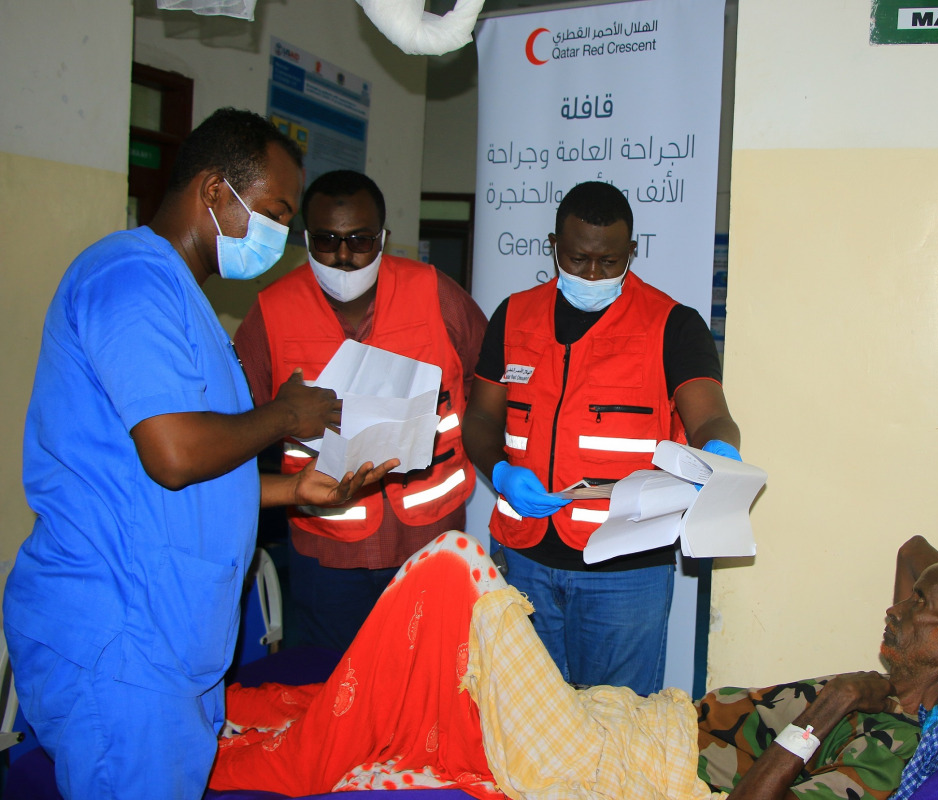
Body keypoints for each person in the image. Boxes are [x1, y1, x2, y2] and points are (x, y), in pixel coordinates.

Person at [3, 108, 397, 800]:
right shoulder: (129, 281)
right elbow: (175, 455)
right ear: (216, 191)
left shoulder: (190, 307)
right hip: (118, 636)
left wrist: (295, 492)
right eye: (274, 213)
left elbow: (190, 478)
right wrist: (284, 415)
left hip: (173, 642)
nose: (279, 236)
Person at [206, 533, 938, 800]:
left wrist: (827, 708)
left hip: (615, 770)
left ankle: (302, 750)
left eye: (915, 613)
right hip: (635, 719)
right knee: (441, 661)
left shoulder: (891, 741)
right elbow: (915, 552)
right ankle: (323, 723)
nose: (893, 612)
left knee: (454, 564)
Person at [462, 180, 742, 695]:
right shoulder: (514, 316)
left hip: (625, 569)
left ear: (632, 252)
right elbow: (480, 418)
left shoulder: (672, 326)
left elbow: (709, 418)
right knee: (526, 721)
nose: (591, 274)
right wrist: (499, 471)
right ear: (553, 246)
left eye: (609, 262)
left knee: (617, 725)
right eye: (576, 259)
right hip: (525, 557)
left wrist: (719, 453)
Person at [235, 169, 486, 652]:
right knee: (330, 693)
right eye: (327, 241)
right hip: (325, 551)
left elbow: (486, 384)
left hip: (429, 539)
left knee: (426, 687)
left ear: (384, 238)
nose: (345, 256)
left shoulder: (435, 293)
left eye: (360, 240)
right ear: (306, 238)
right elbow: (239, 421)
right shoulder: (272, 310)